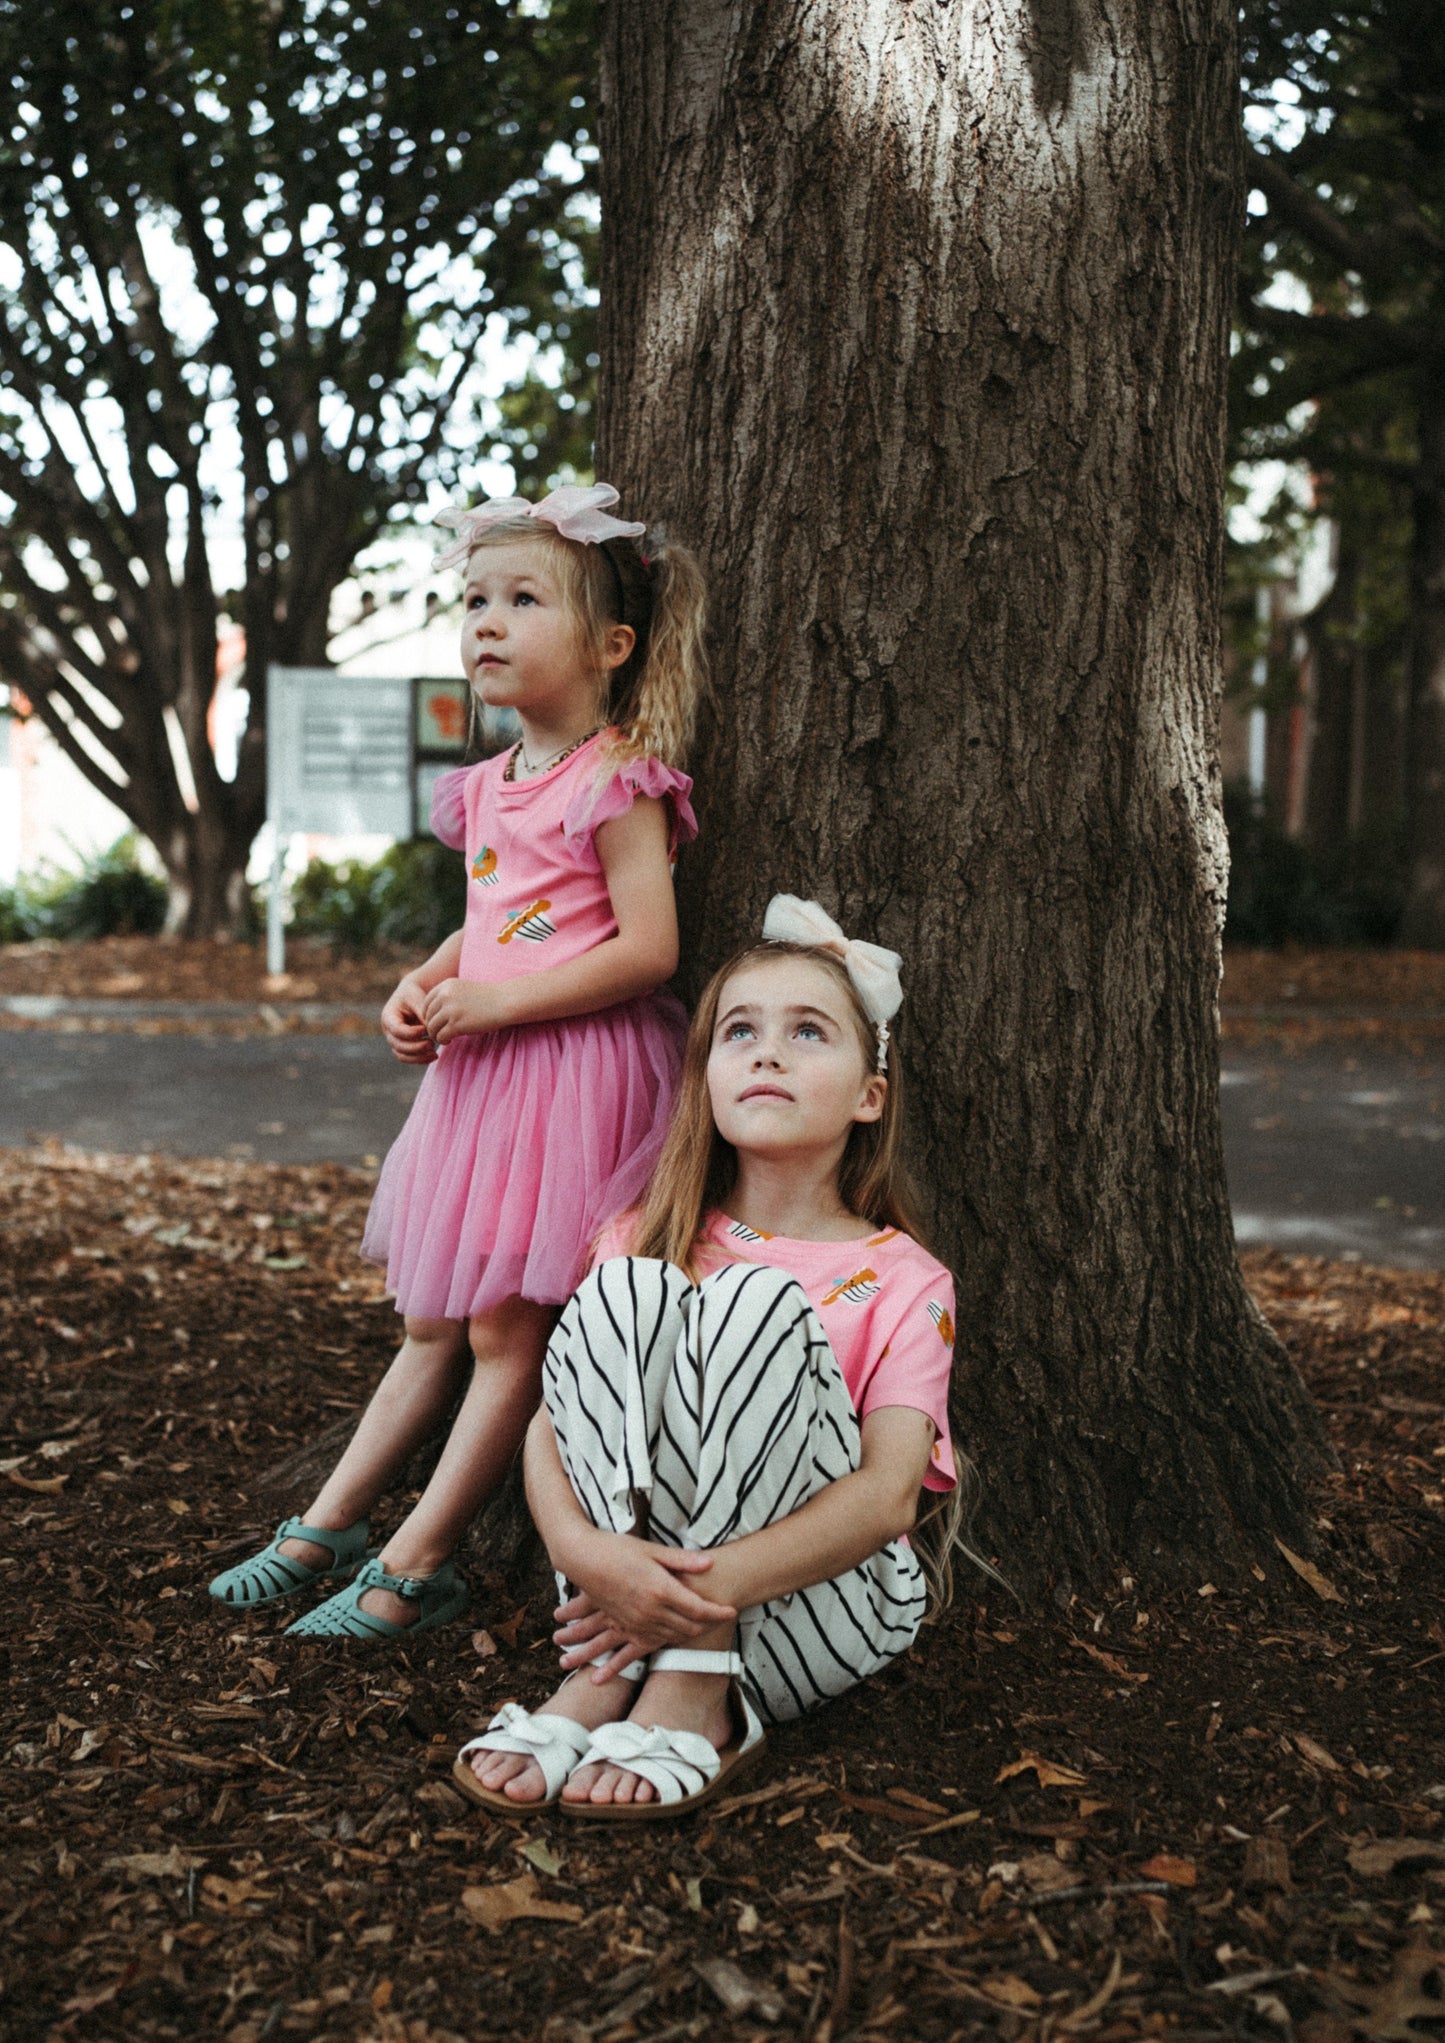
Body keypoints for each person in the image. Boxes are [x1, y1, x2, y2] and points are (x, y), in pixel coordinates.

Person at [209, 484, 708, 1639]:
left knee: (503, 1331)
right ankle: (322, 1526)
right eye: (472, 599)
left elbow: (650, 949)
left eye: (521, 600)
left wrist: (502, 999)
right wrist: (426, 984)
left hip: (576, 1077)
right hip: (483, 1081)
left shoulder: (615, 778)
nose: (484, 622)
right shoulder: (488, 787)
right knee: (433, 1320)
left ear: (609, 645)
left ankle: (416, 1561)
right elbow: (492, 923)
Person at [454, 896, 971, 1820]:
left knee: (756, 1299)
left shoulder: (902, 1276)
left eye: (807, 1031)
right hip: (613, 1596)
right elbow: (556, 1422)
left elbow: (889, 1493)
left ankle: (695, 1694)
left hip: (813, 1602)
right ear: (707, 1076)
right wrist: (588, 1555)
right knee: (632, 1288)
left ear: (868, 1093)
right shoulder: (643, 1236)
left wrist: (697, 1598)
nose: (767, 1051)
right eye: (740, 1030)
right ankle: (601, 1685)